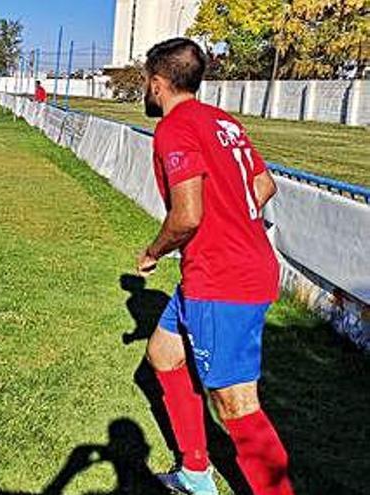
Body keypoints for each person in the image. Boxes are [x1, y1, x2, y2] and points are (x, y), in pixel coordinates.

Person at [137, 38, 292, 495]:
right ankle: (195, 472)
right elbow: (263, 185)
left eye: (147, 81)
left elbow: (187, 215)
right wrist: (234, 222)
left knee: (237, 404)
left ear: (159, 83)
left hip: (222, 280)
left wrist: (153, 251)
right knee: (163, 355)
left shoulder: (173, 128)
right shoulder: (224, 121)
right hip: (228, 269)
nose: (146, 90)